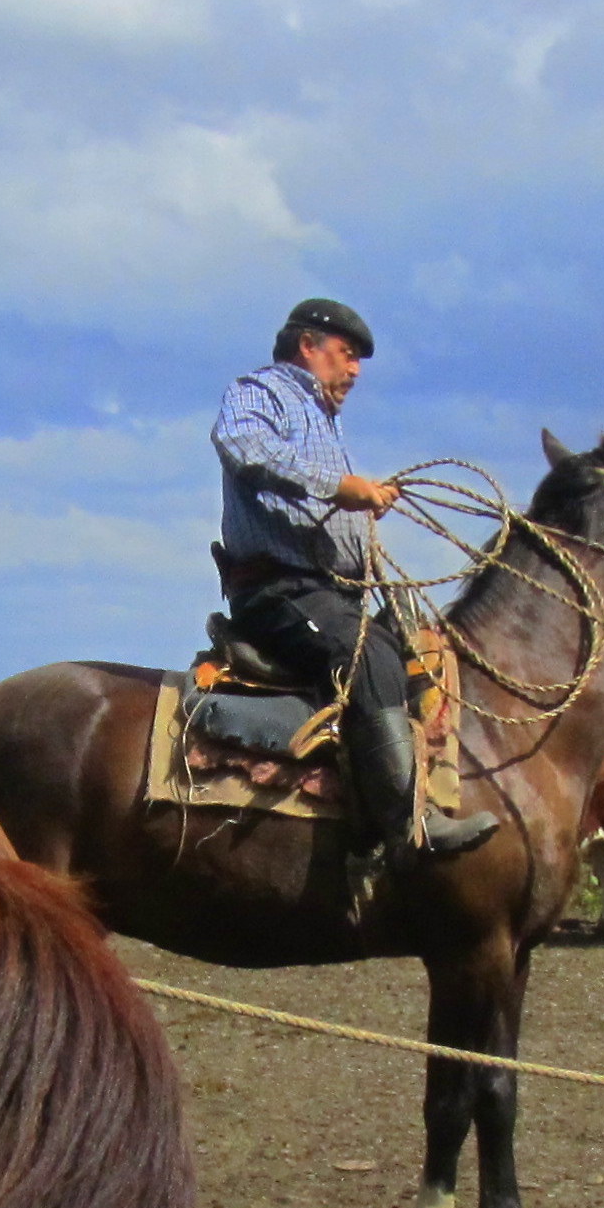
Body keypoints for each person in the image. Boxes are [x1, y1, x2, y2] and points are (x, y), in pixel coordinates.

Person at [209, 298, 496, 870]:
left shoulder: (324, 419)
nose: (355, 370)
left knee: (415, 651)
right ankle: (406, 826)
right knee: (368, 658)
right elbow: (242, 446)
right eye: (347, 354)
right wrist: (341, 486)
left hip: (329, 592)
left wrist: (358, 509)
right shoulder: (261, 392)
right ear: (307, 346)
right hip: (281, 591)